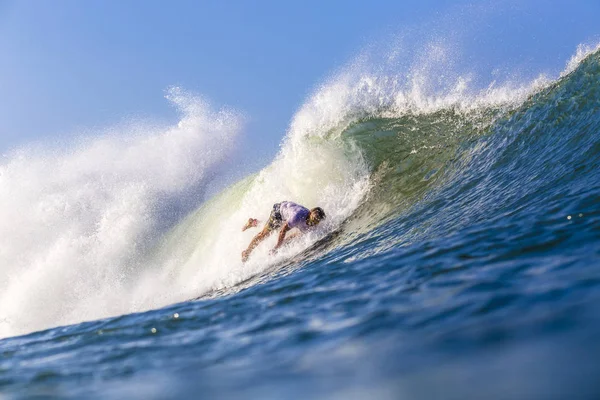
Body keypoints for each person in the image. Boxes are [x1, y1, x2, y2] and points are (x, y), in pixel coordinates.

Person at [241, 201, 326, 262]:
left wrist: (284, 243)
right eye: (314, 219)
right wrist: (277, 247)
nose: (314, 223)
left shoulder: (311, 221)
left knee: (276, 229)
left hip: (287, 213)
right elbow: (282, 231)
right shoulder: (297, 217)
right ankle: (246, 252)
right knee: (265, 234)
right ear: (310, 213)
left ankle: (253, 222)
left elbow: (296, 234)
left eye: (317, 221)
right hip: (279, 212)